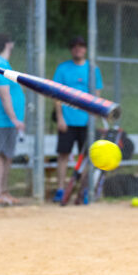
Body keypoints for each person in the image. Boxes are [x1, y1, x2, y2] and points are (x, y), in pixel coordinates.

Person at [52, 35, 103, 201]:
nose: (78, 49)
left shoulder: (92, 70)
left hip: (86, 121)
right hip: (67, 121)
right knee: (63, 155)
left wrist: (94, 117)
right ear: (71, 49)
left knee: (87, 157)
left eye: (81, 46)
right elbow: (56, 94)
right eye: (74, 46)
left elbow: (96, 95)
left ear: (85, 49)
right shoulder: (63, 69)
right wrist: (60, 118)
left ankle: (84, 191)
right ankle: (61, 190)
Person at [0, 32, 26, 206]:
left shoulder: (2, 63)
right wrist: (14, 118)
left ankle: (4, 192)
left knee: (7, 155)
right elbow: (4, 94)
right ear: (8, 44)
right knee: (0, 154)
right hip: (2, 119)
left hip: (7, 120)